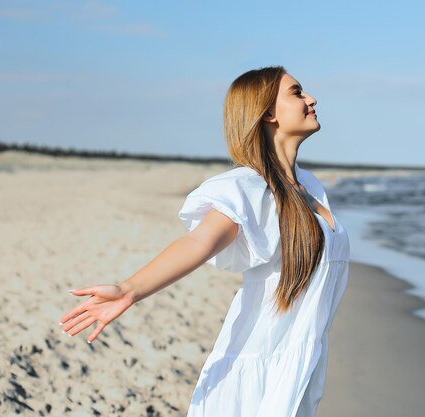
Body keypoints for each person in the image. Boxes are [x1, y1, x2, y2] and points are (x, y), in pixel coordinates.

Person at [59, 66, 350, 417]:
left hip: (302, 360)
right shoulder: (250, 188)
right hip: (258, 368)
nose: (311, 98)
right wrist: (129, 289)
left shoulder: (310, 186)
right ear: (268, 113)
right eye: (297, 92)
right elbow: (200, 242)